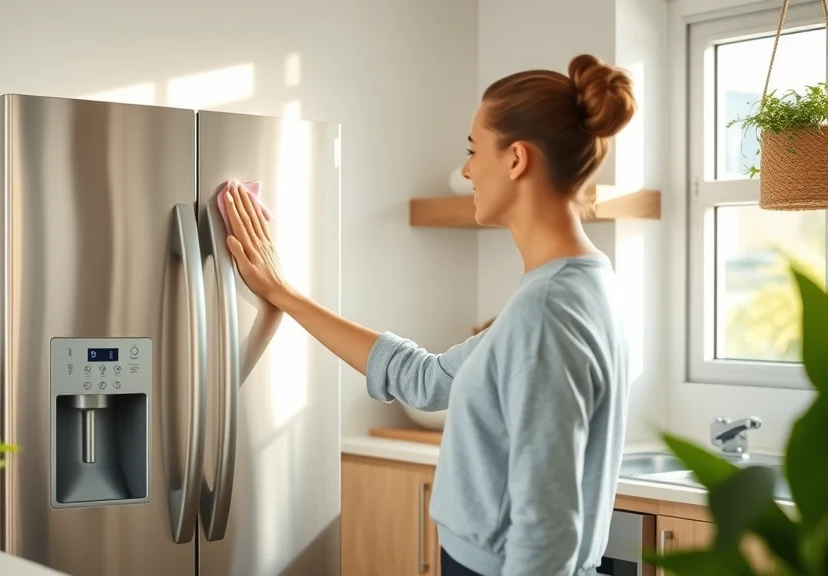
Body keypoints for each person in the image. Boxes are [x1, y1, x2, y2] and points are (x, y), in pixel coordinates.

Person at [222, 53, 634, 576]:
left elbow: (547, 529)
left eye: (472, 149)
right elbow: (426, 378)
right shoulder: (581, 283)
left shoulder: (547, 313)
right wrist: (284, 294)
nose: (466, 170)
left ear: (516, 159)